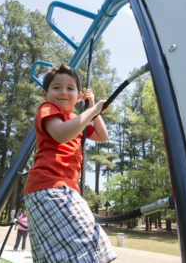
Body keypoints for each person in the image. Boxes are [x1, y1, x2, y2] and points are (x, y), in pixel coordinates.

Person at [24, 64, 117, 262]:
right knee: (93, 250)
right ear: (45, 93)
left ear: (79, 95)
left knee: (60, 256)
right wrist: (92, 112)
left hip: (58, 190)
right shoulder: (47, 109)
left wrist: (93, 109)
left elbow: (102, 136)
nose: (63, 92)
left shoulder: (77, 118)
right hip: (50, 188)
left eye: (70, 88)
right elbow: (61, 133)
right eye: (56, 87)